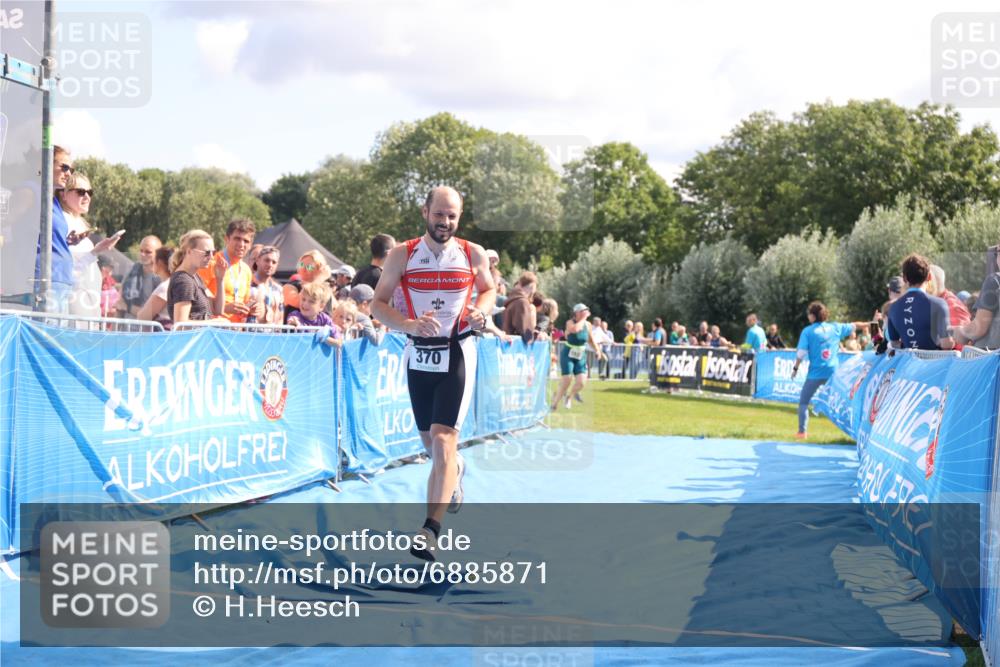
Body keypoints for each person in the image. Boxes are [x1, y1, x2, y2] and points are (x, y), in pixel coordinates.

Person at [371, 186, 496, 563]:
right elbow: (377, 305)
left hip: (457, 351)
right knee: (432, 447)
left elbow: (489, 290)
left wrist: (481, 311)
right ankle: (456, 469)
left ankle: (430, 530)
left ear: (460, 217)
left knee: (443, 438)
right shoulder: (402, 254)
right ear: (425, 211)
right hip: (419, 354)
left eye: (452, 216)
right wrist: (408, 324)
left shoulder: (471, 253)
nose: (445, 222)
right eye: (439, 214)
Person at [792, 301, 869, 439]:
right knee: (847, 402)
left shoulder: (808, 331)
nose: (808, 316)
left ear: (813, 316)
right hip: (833, 373)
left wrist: (795, 368)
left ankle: (802, 432)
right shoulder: (835, 328)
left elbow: (801, 353)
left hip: (815, 374)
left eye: (809, 314)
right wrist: (872, 323)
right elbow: (855, 325)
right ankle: (856, 433)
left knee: (804, 402)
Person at [59, 173, 121, 318]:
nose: (87, 197)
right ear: (64, 195)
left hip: (87, 305)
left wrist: (97, 250)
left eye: (89, 192)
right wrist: (95, 251)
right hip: (75, 307)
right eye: (80, 192)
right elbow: (67, 273)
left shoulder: (78, 223)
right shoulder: (63, 223)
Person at [885, 254, 954, 351]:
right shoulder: (939, 304)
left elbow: (894, 343)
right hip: (934, 364)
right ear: (929, 276)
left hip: (909, 364)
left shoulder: (893, 307)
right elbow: (946, 344)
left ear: (904, 279)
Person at [35, 146, 75, 313]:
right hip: (42, 285)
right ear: (46, 163)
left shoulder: (53, 201)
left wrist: (67, 242)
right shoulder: (32, 190)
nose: (69, 173)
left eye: (71, 169)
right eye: (64, 167)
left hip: (59, 285)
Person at [199, 218, 261, 323]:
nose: (241, 244)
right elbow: (197, 299)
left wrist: (250, 309)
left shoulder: (246, 270)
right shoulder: (211, 263)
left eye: (246, 241)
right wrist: (224, 308)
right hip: (213, 329)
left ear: (250, 245)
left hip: (235, 331)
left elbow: (243, 304)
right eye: (237, 238)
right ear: (227, 239)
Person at [551, 303, 606, 410]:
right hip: (568, 354)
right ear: (577, 313)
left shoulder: (588, 325)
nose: (586, 313)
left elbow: (590, 339)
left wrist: (597, 350)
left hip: (580, 355)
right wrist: (584, 318)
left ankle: (569, 397)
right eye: (584, 311)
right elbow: (575, 330)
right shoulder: (570, 322)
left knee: (581, 382)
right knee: (567, 380)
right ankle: (554, 404)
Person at [168, 229, 224, 323]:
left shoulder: (194, 276)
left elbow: (217, 310)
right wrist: (214, 323)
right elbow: (180, 324)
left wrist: (220, 279)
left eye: (212, 252)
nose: (211, 257)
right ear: (189, 251)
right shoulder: (184, 281)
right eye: (207, 252)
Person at [954, 239, 1000, 350]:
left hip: (992, 361)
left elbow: (979, 328)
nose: (996, 257)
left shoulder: (994, 280)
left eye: (997, 252)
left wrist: (960, 332)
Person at [120, 236, 163, 318]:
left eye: (148, 252)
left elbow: (151, 315)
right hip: (126, 327)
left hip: (151, 329)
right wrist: (115, 330)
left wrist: (128, 307)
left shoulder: (163, 278)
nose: (143, 254)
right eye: (141, 251)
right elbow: (120, 304)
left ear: (159, 254)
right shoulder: (131, 271)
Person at [284, 250, 333, 321]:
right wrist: (320, 279)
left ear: (319, 270)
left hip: (317, 331)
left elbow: (331, 311)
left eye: (309, 267)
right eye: (301, 265)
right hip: (294, 330)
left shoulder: (324, 291)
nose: (303, 269)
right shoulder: (291, 286)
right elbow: (299, 302)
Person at [137, 246, 174, 325]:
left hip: (161, 335)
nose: (151, 264)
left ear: (159, 263)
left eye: (153, 261)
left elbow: (143, 317)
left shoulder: (165, 287)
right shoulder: (175, 282)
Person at [248, 246, 284, 325]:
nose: (270, 264)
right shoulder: (247, 283)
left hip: (272, 335)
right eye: (267, 260)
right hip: (250, 334)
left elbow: (280, 318)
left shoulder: (278, 289)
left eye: (274, 262)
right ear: (257, 260)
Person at [928, 264, 971, 329]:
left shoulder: (952, 306)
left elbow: (960, 337)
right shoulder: (937, 301)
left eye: (923, 282)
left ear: (932, 282)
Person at [501, 271, 538, 340]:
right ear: (532, 286)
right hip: (516, 345)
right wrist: (536, 336)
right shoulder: (522, 302)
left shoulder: (512, 300)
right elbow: (524, 329)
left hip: (508, 342)